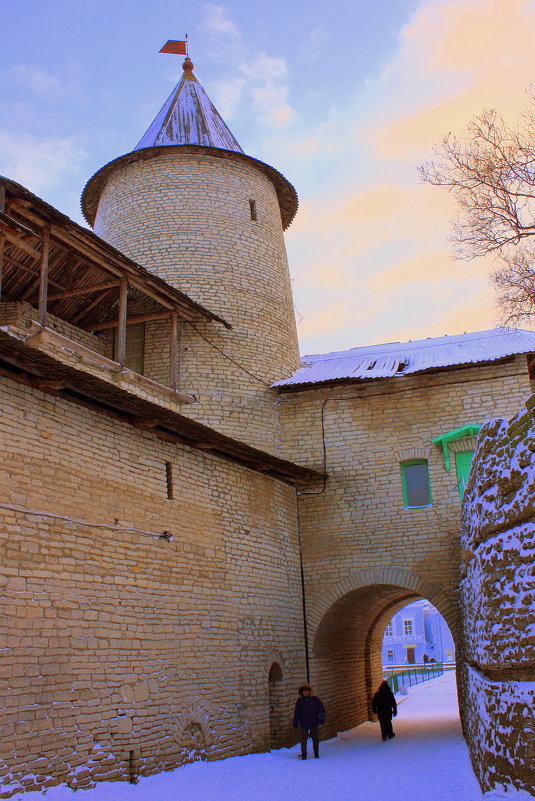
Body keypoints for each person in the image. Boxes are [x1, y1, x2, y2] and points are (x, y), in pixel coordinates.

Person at [293, 683, 326, 760]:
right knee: (303, 738)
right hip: (304, 722)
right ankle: (304, 754)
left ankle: (316, 753)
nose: (305, 693)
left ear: (309, 691)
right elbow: (297, 712)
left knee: (315, 738)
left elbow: (321, 709)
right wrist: (295, 722)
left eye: (306, 691)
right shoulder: (300, 702)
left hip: (313, 722)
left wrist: (321, 718)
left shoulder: (315, 700)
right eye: (304, 691)